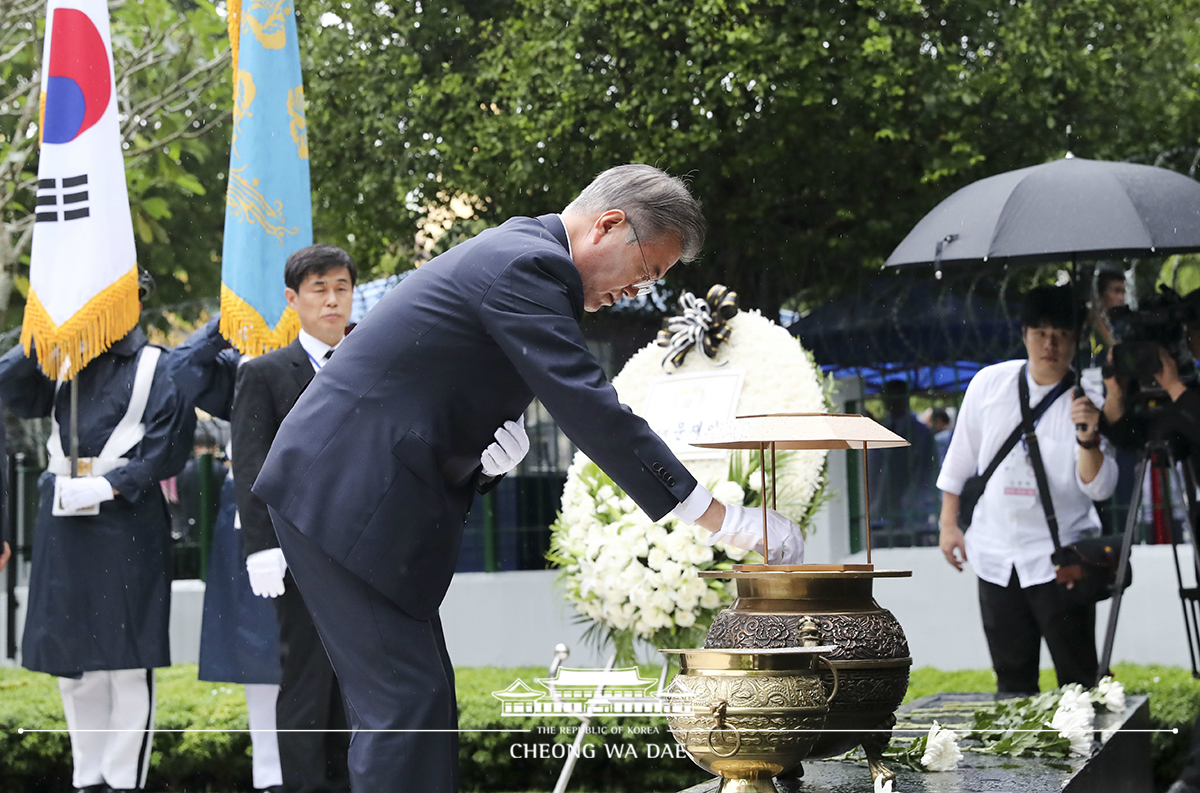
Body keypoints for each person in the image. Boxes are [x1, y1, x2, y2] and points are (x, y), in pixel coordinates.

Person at [250, 164, 806, 790]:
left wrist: (485, 462)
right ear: (609, 225)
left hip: (356, 497)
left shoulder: (519, 254)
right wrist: (723, 518)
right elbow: (591, 409)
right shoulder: (528, 265)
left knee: (419, 702)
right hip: (343, 498)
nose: (638, 293)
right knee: (404, 707)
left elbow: (433, 398)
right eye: (646, 271)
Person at [0, 281, 195, 792]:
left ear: (134, 301)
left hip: (125, 522)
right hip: (64, 518)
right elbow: (8, 386)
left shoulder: (159, 364)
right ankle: (87, 779)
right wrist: (48, 332)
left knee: (127, 661)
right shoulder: (65, 360)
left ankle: (122, 781)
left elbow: (167, 449)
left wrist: (108, 486)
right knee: (73, 660)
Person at [937, 286, 1117, 694]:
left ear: (1075, 340)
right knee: (1012, 681)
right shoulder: (990, 384)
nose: (1049, 344)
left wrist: (1088, 435)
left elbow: (1101, 487)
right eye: (1039, 332)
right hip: (995, 556)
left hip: (1060, 562)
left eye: (1061, 334)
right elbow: (959, 459)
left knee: (1079, 682)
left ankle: (1086, 753)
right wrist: (949, 524)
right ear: (1024, 335)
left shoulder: (1087, 399)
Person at [232, 245, 356, 793]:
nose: (332, 300)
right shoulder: (263, 374)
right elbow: (251, 464)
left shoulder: (375, 360)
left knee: (363, 683)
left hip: (367, 552)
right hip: (299, 553)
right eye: (318, 289)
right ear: (293, 298)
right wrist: (261, 545)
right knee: (307, 680)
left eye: (341, 288)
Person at [166, 316, 283, 793]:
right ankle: (270, 777)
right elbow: (178, 371)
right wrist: (227, 318)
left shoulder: (337, 346)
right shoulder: (241, 362)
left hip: (323, 505)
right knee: (259, 652)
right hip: (251, 511)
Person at [867, 379, 938, 542]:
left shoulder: (921, 433)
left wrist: (916, 504)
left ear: (906, 399)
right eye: (888, 397)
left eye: (896, 396)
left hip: (912, 516)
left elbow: (927, 473)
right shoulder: (879, 430)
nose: (891, 402)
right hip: (880, 514)